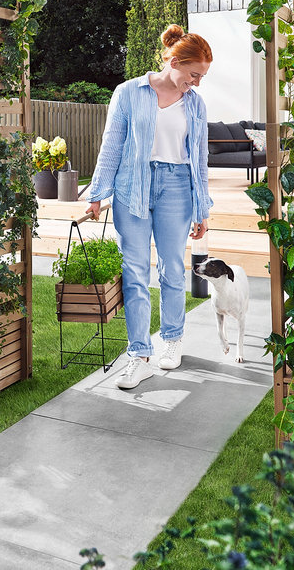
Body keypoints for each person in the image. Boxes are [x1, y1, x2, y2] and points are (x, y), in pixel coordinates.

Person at [85, 24, 213, 389]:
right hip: (132, 188)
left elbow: (200, 158)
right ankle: (139, 355)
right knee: (135, 272)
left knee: (172, 268)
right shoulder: (128, 92)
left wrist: (202, 209)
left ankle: (172, 339)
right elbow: (112, 143)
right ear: (173, 62)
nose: (196, 83)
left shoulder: (195, 104)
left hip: (177, 188)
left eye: (201, 77)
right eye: (193, 74)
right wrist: (97, 192)